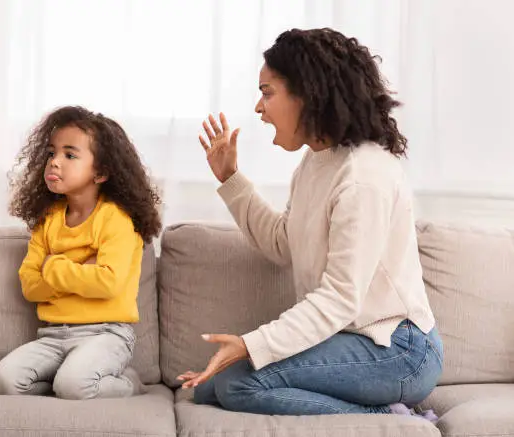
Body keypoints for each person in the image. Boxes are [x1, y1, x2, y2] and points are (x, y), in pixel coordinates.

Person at [177, 28, 443, 421]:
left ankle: (392, 417)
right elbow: (284, 242)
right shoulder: (318, 161)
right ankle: (377, 407)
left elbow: (339, 298)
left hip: (399, 350)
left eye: (267, 92)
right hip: (353, 340)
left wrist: (252, 345)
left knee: (237, 384)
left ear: (309, 93)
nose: (258, 108)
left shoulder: (364, 176)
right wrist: (230, 179)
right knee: (208, 392)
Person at [0, 105, 161, 400]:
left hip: (106, 334)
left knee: (73, 385)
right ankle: (65, 382)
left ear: (101, 172)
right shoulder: (47, 220)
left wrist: (53, 267)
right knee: (2, 381)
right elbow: (30, 286)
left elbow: (108, 283)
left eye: (69, 155)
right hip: (54, 335)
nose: (55, 162)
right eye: (51, 153)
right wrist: (81, 269)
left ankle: (128, 383)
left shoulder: (115, 219)